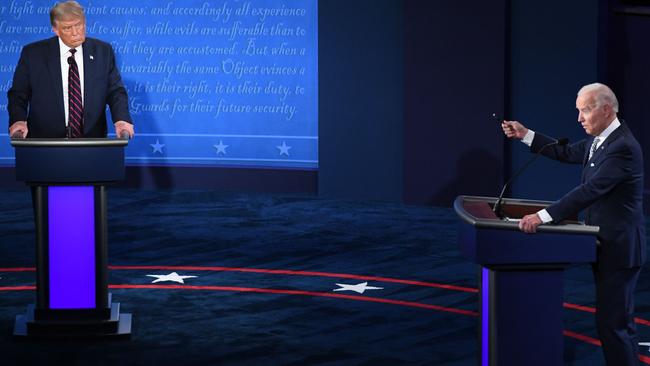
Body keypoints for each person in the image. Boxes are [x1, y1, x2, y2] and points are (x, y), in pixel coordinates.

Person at [501, 82, 645, 366]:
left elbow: (590, 190)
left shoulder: (623, 147)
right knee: (612, 323)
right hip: (606, 245)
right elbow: (565, 152)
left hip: (620, 249)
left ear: (606, 110)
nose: (579, 118)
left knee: (614, 326)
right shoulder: (600, 138)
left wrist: (542, 216)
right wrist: (526, 135)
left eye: (585, 111)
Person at [7, 0, 134, 139]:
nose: (75, 32)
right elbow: (18, 94)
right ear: (55, 29)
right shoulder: (33, 54)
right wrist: (18, 120)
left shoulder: (103, 52)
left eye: (79, 25)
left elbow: (115, 92)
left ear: (84, 22)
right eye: (68, 28)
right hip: (45, 141)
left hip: (92, 141)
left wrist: (121, 120)